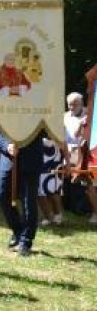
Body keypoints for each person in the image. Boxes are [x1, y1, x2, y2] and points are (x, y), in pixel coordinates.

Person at [0, 126, 43, 254]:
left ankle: (26, 240)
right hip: (8, 160)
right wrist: (7, 146)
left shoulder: (38, 106)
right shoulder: (5, 106)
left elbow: (47, 130)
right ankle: (18, 231)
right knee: (1, 196)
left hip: (30, 159)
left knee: (28, 202)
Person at [64, 92, 97, 223]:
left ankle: (88, 209)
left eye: (74, 104)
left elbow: (80, 135)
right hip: (68, 151)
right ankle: (72, 206)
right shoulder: (65, 116)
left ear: (82, 103)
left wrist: (84, 123)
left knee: (89, 182)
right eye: (69, 105)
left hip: (86, 153)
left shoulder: (90, 114)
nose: (71, 107)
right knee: (73, 181)